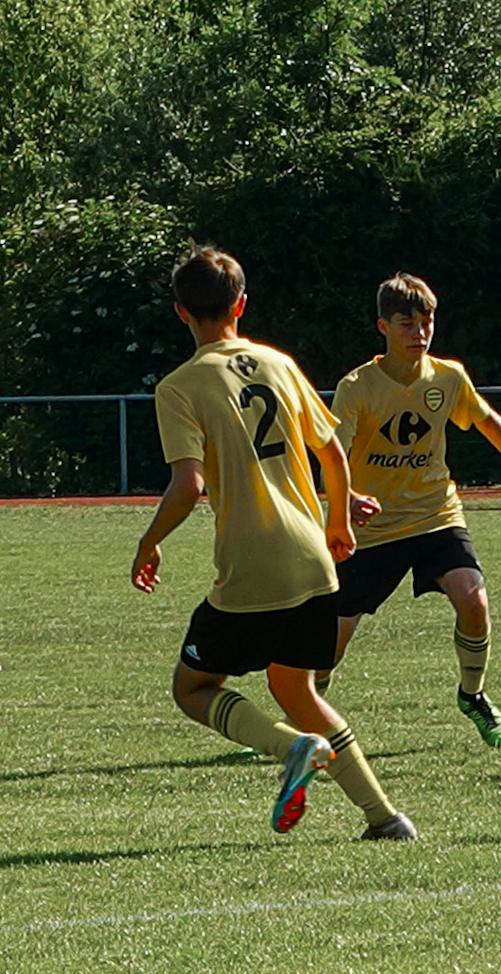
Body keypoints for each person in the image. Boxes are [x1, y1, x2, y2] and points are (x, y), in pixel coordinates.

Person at [131, 246, 416, 841]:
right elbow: (332, 451)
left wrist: (149, 541)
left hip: (251, 567)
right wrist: (338, 522)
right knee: (295, 687)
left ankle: (290, 748)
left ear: (181, 312)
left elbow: (189, 485)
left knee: (193, 689)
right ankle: (385, 819)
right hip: (314, 561)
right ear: (241, 304)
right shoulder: (279, 363)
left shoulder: (180, 387)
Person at [317, 273, 501, 748]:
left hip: (435, 516)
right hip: (373, 531)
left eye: (426, 322)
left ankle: (474, 696)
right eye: (407, 323)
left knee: (474, 599)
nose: (419, 332)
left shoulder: (448, 377)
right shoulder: (357, 387)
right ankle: (306, 716)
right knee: (329, 643)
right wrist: (346, 499)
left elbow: (488, 421)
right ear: (382, 326)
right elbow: (331, 455)